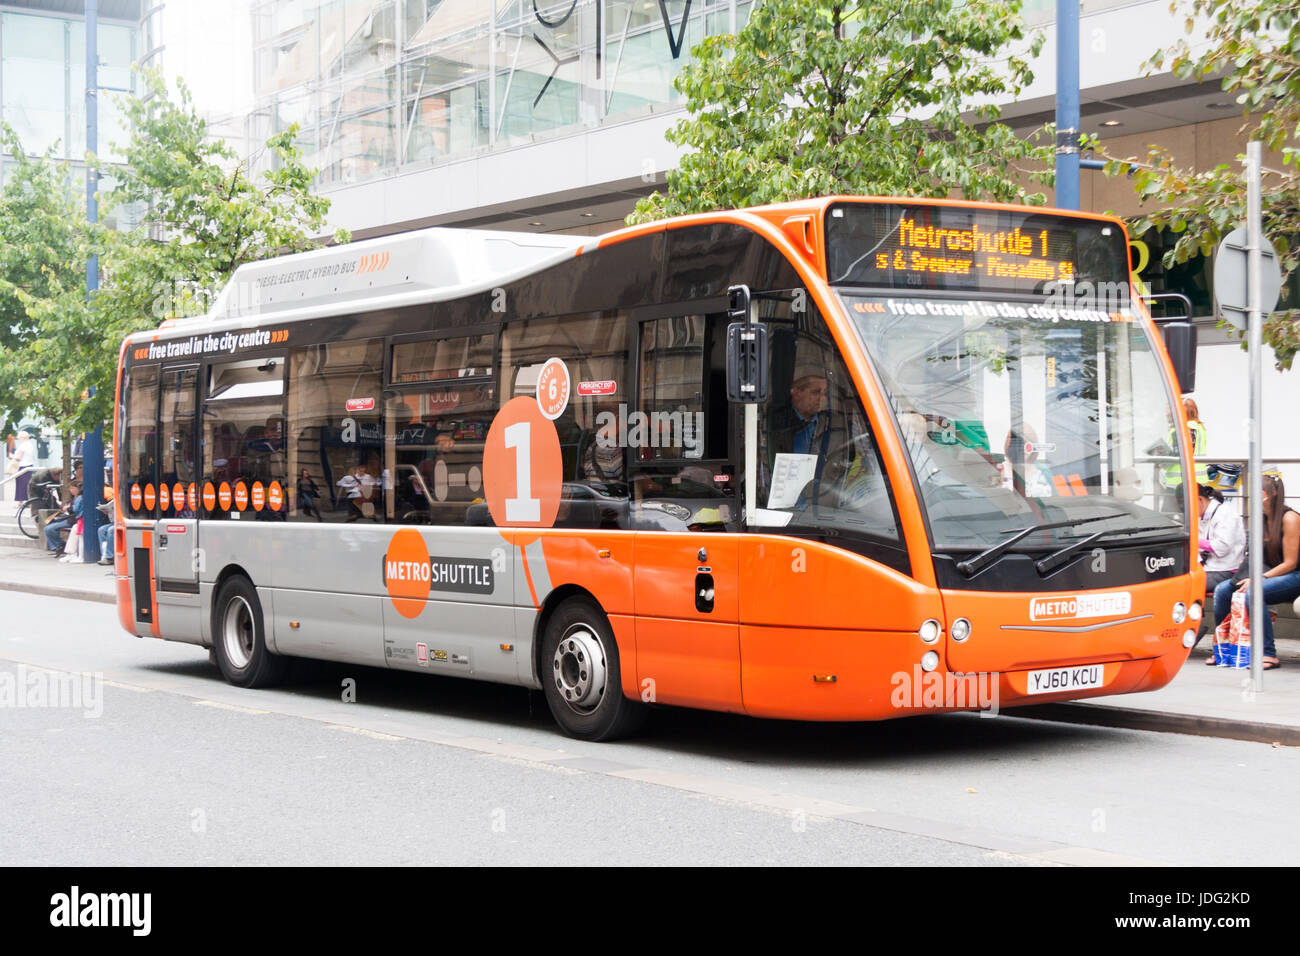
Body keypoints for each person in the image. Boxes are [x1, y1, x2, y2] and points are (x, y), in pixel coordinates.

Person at [1212, 473, 1298, 669]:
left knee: (1254, 592)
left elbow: (1291, 563)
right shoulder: (1260, 518)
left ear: (1267, 495)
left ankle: (1268, 653)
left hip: (1293, 575)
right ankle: (1224, 649)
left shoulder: (1290, 518)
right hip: (1270, 572)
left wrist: (1259, 578)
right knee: (1223, 590)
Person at [1196, 483, 1244, 652]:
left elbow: (1222, 547)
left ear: (1200, 500)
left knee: (1188, 585)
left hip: (1226, 570)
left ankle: (1196, 625)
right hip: (1207, 568)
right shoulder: (1203, 515)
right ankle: (1195, 625)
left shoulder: (1225, 514)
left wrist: (1194, 541)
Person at [43, 479, 83, 554]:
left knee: (49, 529)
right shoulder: (73, 498)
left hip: (73, 519)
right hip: (68, 518)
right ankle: (58, 545)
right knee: (48, 528)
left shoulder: (80, 498)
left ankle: (60, 545)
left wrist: (68, 508)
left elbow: (75, 510)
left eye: (72, 488)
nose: (71, 490)